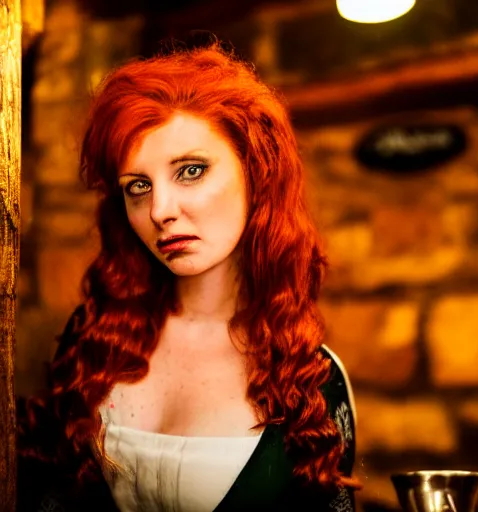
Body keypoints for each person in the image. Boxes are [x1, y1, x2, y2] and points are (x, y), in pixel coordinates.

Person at [16, 39, 360, 511]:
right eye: (138, 186)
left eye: (191, 171)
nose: (159, 210)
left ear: (256, 171)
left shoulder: (310, 375)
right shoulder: (95, 340)